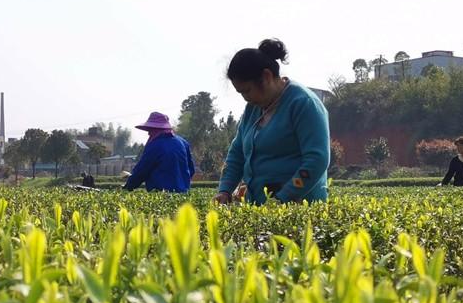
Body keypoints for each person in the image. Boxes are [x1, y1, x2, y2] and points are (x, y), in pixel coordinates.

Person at [215, 38, 330, 205]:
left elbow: (317, 159)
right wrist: (225, 190)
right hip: (259, 206)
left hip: (298, 208)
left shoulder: (304, 103)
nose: (246, 98)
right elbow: (237, 153)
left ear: (267, 77)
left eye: (247, 90)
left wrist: (283, 198)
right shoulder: (252, 109)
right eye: (241, 93)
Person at [124, 112, 195, 192]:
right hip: (184, 195)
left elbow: (142, 171)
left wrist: (128, 186)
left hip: (162, 196)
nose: (149, 133)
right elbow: (191, 170)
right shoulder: (183, 143)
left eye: (150, 130)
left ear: (156, 130)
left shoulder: (155, 145)